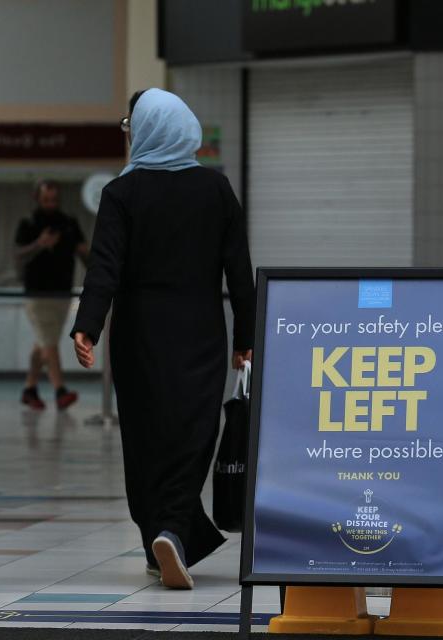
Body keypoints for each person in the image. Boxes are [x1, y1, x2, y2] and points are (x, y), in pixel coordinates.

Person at [71, 89, 255, 589]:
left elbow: (103, 267)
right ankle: (170, 532)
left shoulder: (121, 193)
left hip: (137, 336)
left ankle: (162, 533)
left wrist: (87, 324)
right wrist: (246, 336)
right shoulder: (215, 190)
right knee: (193, 435)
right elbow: (239, 271)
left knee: (145, 439)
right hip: (198, 332)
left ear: (146, 130)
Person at [15, 179, 88, 410]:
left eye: (54, 200)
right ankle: (60, 390)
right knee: (49, 341)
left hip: (62, 293)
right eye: (46, 200)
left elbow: (85, 255)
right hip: (37, 293)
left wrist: (84, 252)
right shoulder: (28, 223)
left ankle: (30, 388)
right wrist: (38, 244)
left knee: (45, 342)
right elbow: (18, 254)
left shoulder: (69, 224)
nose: (50, 204)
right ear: (37, 198)